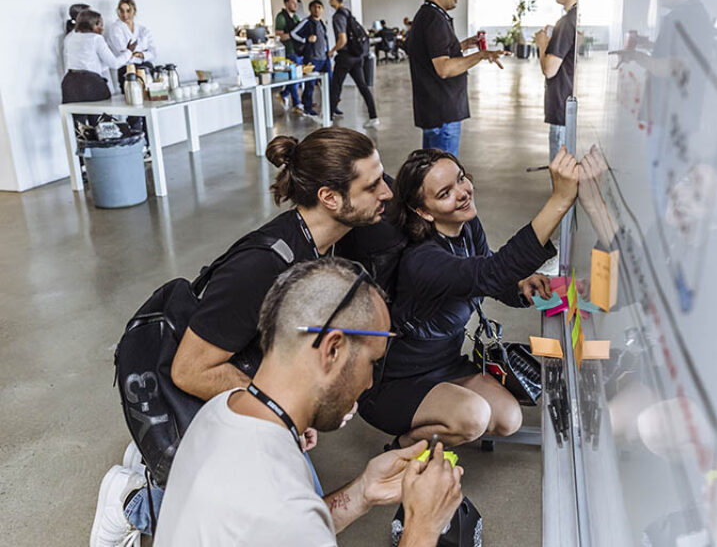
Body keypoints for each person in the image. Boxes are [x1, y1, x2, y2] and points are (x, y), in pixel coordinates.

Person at [90, 127, 401, 546]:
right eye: (374, 184)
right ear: (329, 198)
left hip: (240, 383)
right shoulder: (261, 267)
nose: (387, 192)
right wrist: (285, 411)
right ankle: (131, 503)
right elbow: (188, 371)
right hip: (194, 384)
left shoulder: (330, 242)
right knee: (272, 517)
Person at [154, 259, 465, 546]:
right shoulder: (280, 500)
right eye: (373, 362)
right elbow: (287, 521)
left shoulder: (224, 408)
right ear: (332, 350)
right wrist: (423, 527)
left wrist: (363, 491)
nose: (370, 382)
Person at [358, 148, 580, 447]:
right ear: (423, 211)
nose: (462, 193)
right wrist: (560, 199)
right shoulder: (422, 260)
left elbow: (487, 275)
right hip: (397, 382)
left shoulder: (466, 227)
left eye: (461, 179)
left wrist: (520, 286)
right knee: (473, 417)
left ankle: (448, 410)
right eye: (445, 193)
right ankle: (400, 449)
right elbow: (491, 273)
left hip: (446, 364)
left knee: (507, 419)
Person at [406, 0, 506, 157]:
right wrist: (480, 55)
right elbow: (444, 68)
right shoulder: (434, 19)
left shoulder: (428, 14)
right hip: (442, 114)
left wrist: (460, 46)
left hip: (435, 111)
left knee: (432, 169)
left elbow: (432, 53)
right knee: (444, 173)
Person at [533, 0, 579, 161]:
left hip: (563, 111)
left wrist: (542, 43)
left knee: (560, 172)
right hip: (570, 109)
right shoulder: (577, 17)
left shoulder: (566, 22)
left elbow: (550, 69)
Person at [327, 0, 380, 128]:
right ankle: (373, 116)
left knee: (336, 86)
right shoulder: (347, 13)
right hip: (357, 56)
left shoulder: (338, 16)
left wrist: (332, 51)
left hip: (345, 57)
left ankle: (329, 117)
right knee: (363, 86)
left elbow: (342, 39)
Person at [63, 9, 140, 97]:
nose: (102, 29)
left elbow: (92, 62)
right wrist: (129, 51)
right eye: (101, 25)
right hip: (90, 84)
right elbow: (114, 64)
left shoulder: (69, 38)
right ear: (94, 24)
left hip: (70, 84)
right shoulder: (96, 38)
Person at [290, 0, 332, 120]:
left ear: (322, 9)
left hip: (324, 58)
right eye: (314, 7)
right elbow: (293, 33)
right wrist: (306, 39)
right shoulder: (307, 22)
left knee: (329, 83)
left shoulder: (322, 23)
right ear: (310, 9)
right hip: (312, 59)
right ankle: (307, 107)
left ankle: (331, 106)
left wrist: (328, 52)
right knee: (310, 85)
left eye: (319, 7)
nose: (317, 9)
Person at [105, 0, 157, 82]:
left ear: (134, 11)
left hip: (145, 66)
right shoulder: (115, 29)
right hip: (126, 68)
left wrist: (137, 54)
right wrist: (142, 53)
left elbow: (154, 53)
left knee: (151, 88)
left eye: (128, 11)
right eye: (121, 11)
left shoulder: (143, 30)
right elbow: (122, 53)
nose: (125, 15)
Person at [276, 0, 303, 113]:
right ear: (286, 4)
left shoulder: (296, 17)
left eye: (296, 2)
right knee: (294, 78)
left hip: (298, 50)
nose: (295, 5)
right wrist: (292, 35)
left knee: (297, 78)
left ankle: (283, 94)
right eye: (292, 2)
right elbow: (279, 35)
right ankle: (296, 104)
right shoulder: (281, 17)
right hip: (289, 52)